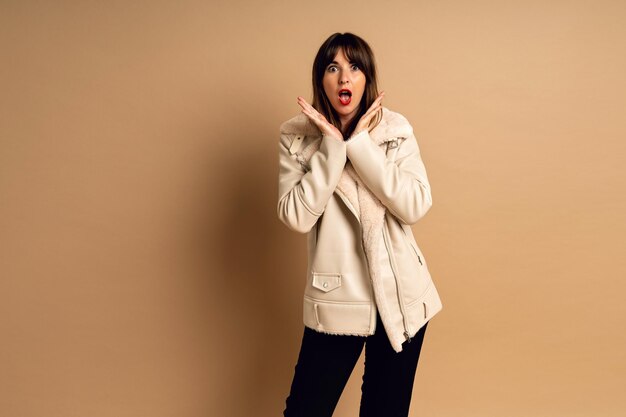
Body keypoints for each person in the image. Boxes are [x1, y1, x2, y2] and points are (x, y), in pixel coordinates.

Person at [277, 32, 443, 417]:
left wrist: (361, 146)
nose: (344, 77)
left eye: (354, 67)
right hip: (336, 300)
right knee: (305, 409)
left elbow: (414, 205)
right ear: (322, 79)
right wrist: (332, 147)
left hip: (401, 299)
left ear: (367, 78)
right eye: (333, 68)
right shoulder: (296, 137)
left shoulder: (394, 130)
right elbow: (296, 216)